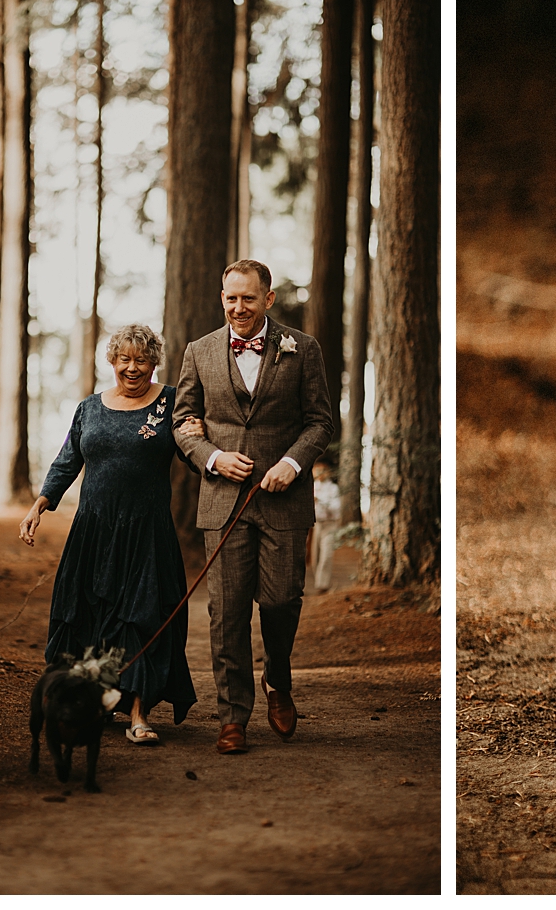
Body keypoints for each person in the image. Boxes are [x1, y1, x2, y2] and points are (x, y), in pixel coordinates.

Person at [173, 259, 338, 755]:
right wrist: (213, 457)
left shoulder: (302, 349)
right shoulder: (199, 352)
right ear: (221, 298)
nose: (238, 308)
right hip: (223, 503)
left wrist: (292, 462)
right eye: (230, 298)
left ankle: (278, 677)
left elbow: (321, 422)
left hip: (284, 503)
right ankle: (233, 715)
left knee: (282, 600)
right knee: (225, 613)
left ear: (268, 299)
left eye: (248, 298)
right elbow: (183, 421)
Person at [19, 325, 198, 746]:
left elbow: (195, 452)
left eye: (141, 360)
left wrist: (216, 457)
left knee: (143, 618)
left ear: (154, 363)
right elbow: (68, 460)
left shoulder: (171, 403)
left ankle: (138, 713)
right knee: (88, 618)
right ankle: (93, 702)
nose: (132, 368)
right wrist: (39, 504)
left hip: (147, 532)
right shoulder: (89, 408)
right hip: (93, 531)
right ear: (112, 362)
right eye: (124, 360)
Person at [307, 457, 341, 593]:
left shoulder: (333, 488)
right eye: (317, 469)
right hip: (316, 525)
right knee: (316, 556)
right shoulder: (312, 486)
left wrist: (319, 501)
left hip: (330, 524)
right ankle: (318, 580)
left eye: (323, 470)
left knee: (326, 554)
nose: (320, 472)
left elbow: (335, 508)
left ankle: (323, 585)